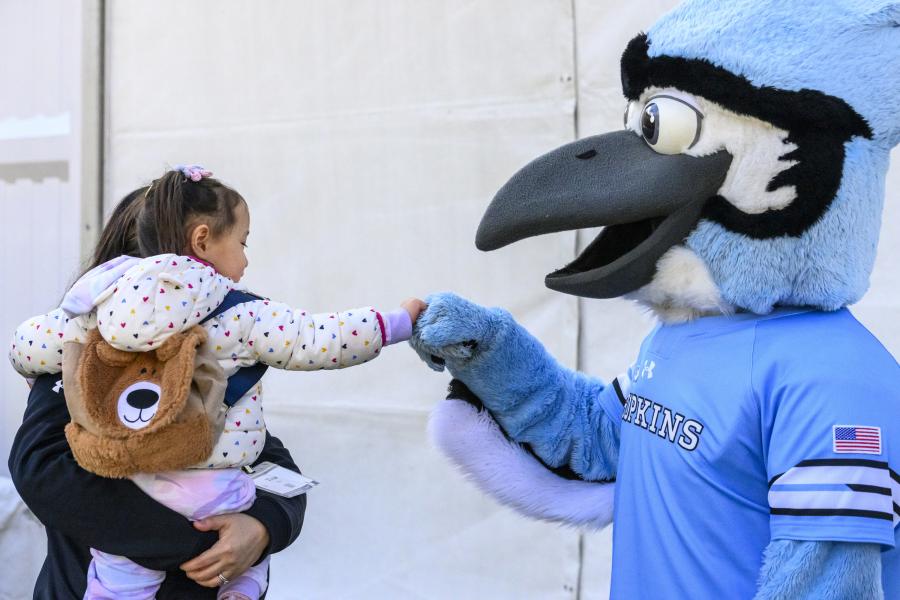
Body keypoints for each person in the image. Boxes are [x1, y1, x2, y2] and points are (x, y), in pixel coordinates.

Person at [10, 166, 426, 599]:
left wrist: (263, 525)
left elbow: (268, 457)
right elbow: (42, 470)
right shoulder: (85, 353)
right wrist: (205, 542)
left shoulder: (210, 341)